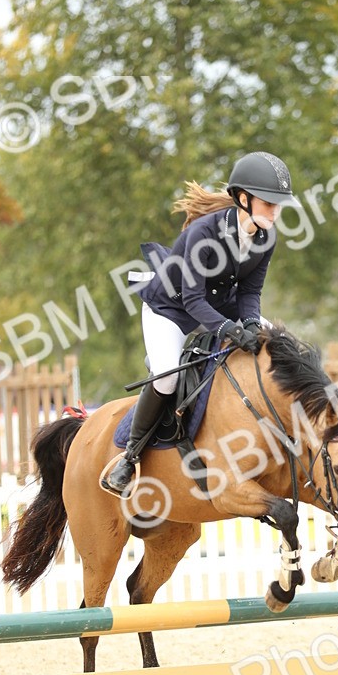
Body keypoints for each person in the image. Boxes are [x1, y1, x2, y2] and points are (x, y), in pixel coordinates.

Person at [102, 150, 295, 495]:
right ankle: (129, 458)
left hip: (221, 304)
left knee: (277, 340)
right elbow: (192, 300)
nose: (275, 212)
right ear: (243, 199)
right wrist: (227, 329)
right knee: (167, 377)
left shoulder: (266, 238)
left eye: (278, 204)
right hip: (171, 310)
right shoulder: (204, 234)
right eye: (269, 203)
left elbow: (251, 291)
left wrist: (250, 324)